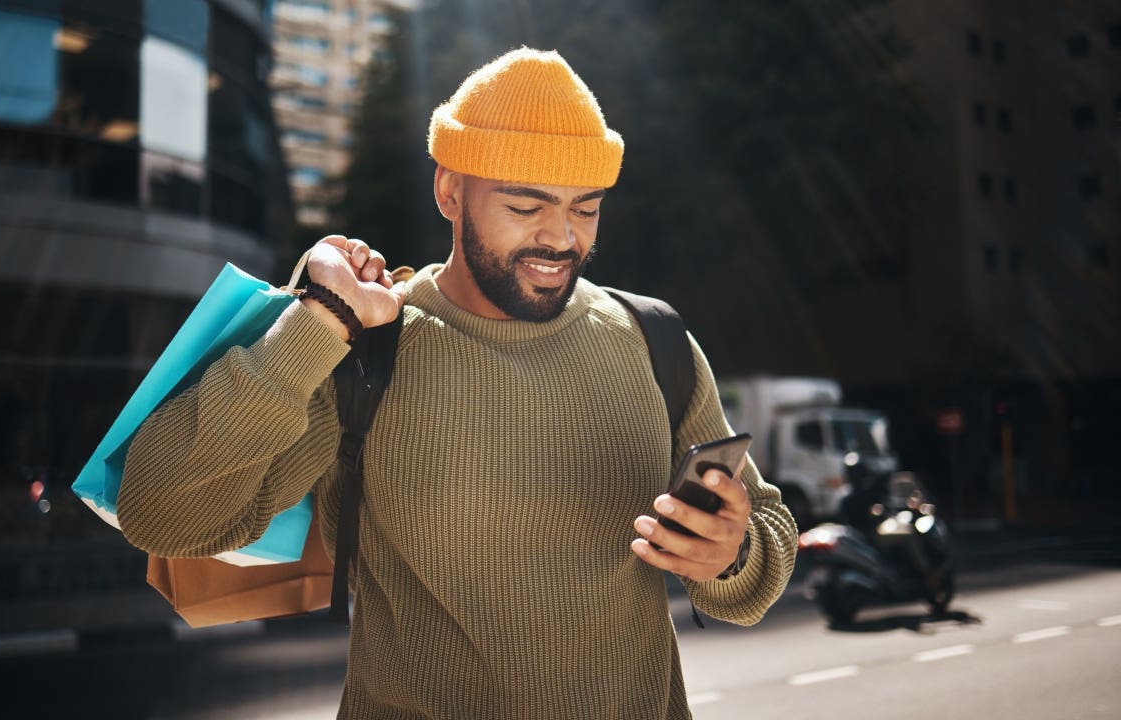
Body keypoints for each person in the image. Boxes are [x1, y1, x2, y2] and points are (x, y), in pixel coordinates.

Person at [118, 47, 796, 719]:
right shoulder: (365, 349)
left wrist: (733, 554)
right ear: (450, 191)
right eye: (527, 205)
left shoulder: (656, 339)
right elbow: (163, 515)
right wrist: (317, 325)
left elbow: (766, 536)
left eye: (585, 208)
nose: (561, 238)